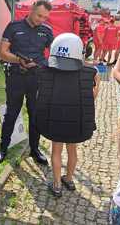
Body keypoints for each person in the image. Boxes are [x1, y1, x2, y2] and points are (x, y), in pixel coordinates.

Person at [35, 33, 100, 197]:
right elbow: (92, 97)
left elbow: (40, 94)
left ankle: (56, 185)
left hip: (54, 118)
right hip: (76, 120)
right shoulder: (92, 72)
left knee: (56, 151)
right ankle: (69, 179)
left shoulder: (46, 71)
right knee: (73, 151)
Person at [0, 0, 53, 164]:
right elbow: (2, 53)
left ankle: (34, 149)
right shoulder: (14, 27)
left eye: (45, 17)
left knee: (35, 115)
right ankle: (3, 148)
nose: (41, 19)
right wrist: (18, 60)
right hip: (16, 77)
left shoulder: (46, 30)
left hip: (37, 78)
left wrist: (45, 63)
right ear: (31, 9)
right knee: (11, 113)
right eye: (39, 15)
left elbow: (54, 53)